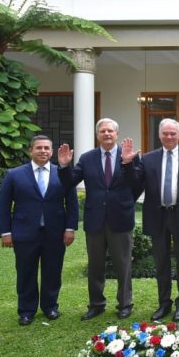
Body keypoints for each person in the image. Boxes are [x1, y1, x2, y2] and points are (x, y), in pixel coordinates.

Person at [122, 118, 179, 322]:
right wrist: (128, 165)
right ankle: (164, 304)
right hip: (157, 216)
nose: (169, 137)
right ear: (159, 135)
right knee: (161, 263)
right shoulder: (148, 158)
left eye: (173, 133)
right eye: (166, 133)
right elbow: (135, 187)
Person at [58, 118, 142, 321]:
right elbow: (70, 182)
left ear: (117, 134)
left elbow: (137, 184)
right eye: (103, 131)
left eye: (110, 131)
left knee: (123, 265)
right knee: (95, 266)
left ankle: (125, 304)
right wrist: (63, 167)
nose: (106, 134)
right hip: (95, 220)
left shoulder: (128, 156)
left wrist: (128, 164)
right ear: (98, 135)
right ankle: (96, 304)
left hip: (120, 219)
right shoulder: (87, 158)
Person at [0, 135, 79, 326]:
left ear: (52, 151)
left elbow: (72, 203)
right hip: (24, 233)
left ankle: (50, 307)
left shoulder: (63, 173)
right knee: (26, 272)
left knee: (53, 271)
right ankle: (26, 310)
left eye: (47, 148)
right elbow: (3, 205)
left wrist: (70, 228)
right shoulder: (14, 174)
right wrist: (5, 232)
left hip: (55, 233)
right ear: (30, 151)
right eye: (39, 148)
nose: (43, 151)